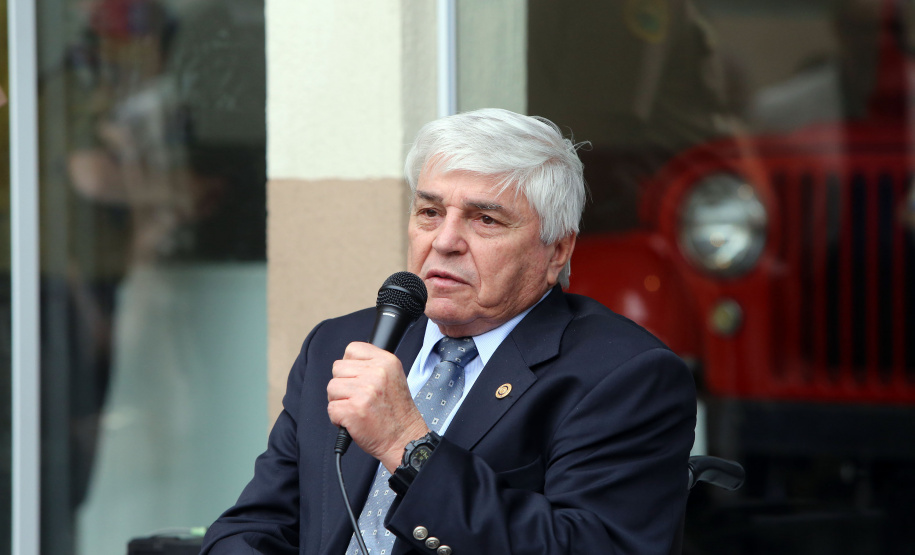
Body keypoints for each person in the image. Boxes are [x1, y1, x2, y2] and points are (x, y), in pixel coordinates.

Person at [201, 108, 696, 554]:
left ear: (557, 252)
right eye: (430, 213)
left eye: (486, 220)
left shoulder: (624, 376)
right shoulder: (340, 345)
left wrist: (408, 444)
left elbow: (590, 545)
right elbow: (253, 527)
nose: (444, 241)